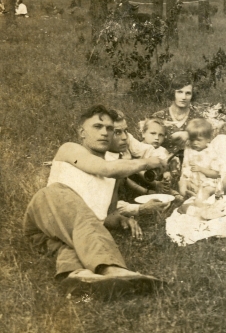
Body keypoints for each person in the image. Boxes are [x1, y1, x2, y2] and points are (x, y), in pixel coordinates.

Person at [23, 105, 165, 296]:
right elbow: (104, 168)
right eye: (97, 127)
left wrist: (120, 219)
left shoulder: (114, 175)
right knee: (73, 207)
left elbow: (103, 217)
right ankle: (112, 269)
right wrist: (147, 162)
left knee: (75, 240)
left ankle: (79, 278)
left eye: (109, 129)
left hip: (56, 237)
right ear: (82, 132)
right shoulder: (70, 149)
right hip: (46, 213)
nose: (105, 133)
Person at [105, 110, 175, 216]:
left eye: (126, 131)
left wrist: (164, 161)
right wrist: (141, 208)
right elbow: (106, 208)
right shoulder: (102, 162)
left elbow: (145, 150)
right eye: (117, 132)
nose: (124, 137)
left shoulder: (127, 139)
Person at [150, 77, 201, 152]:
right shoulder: (158, 117)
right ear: (173, 93)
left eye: (188, 93)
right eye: (179, 92)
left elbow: (204, 143)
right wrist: (173, 137)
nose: (183, 97)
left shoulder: (198, 119)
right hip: (163, 160)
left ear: (192, 95)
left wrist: (190, 136)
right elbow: (148, 144)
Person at [179, 118, 220, 198]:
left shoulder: (211, 152)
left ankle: (198, 197)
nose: (194, 143)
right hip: (191, 181)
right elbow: (181, 138)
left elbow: (216, 174)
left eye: (198, 140)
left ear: (208, 139)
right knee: (182, 183)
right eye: (192, 140)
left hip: (207, 182)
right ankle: (184, 195)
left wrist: (201, 169)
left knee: (208, 189)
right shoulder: (189, 148)